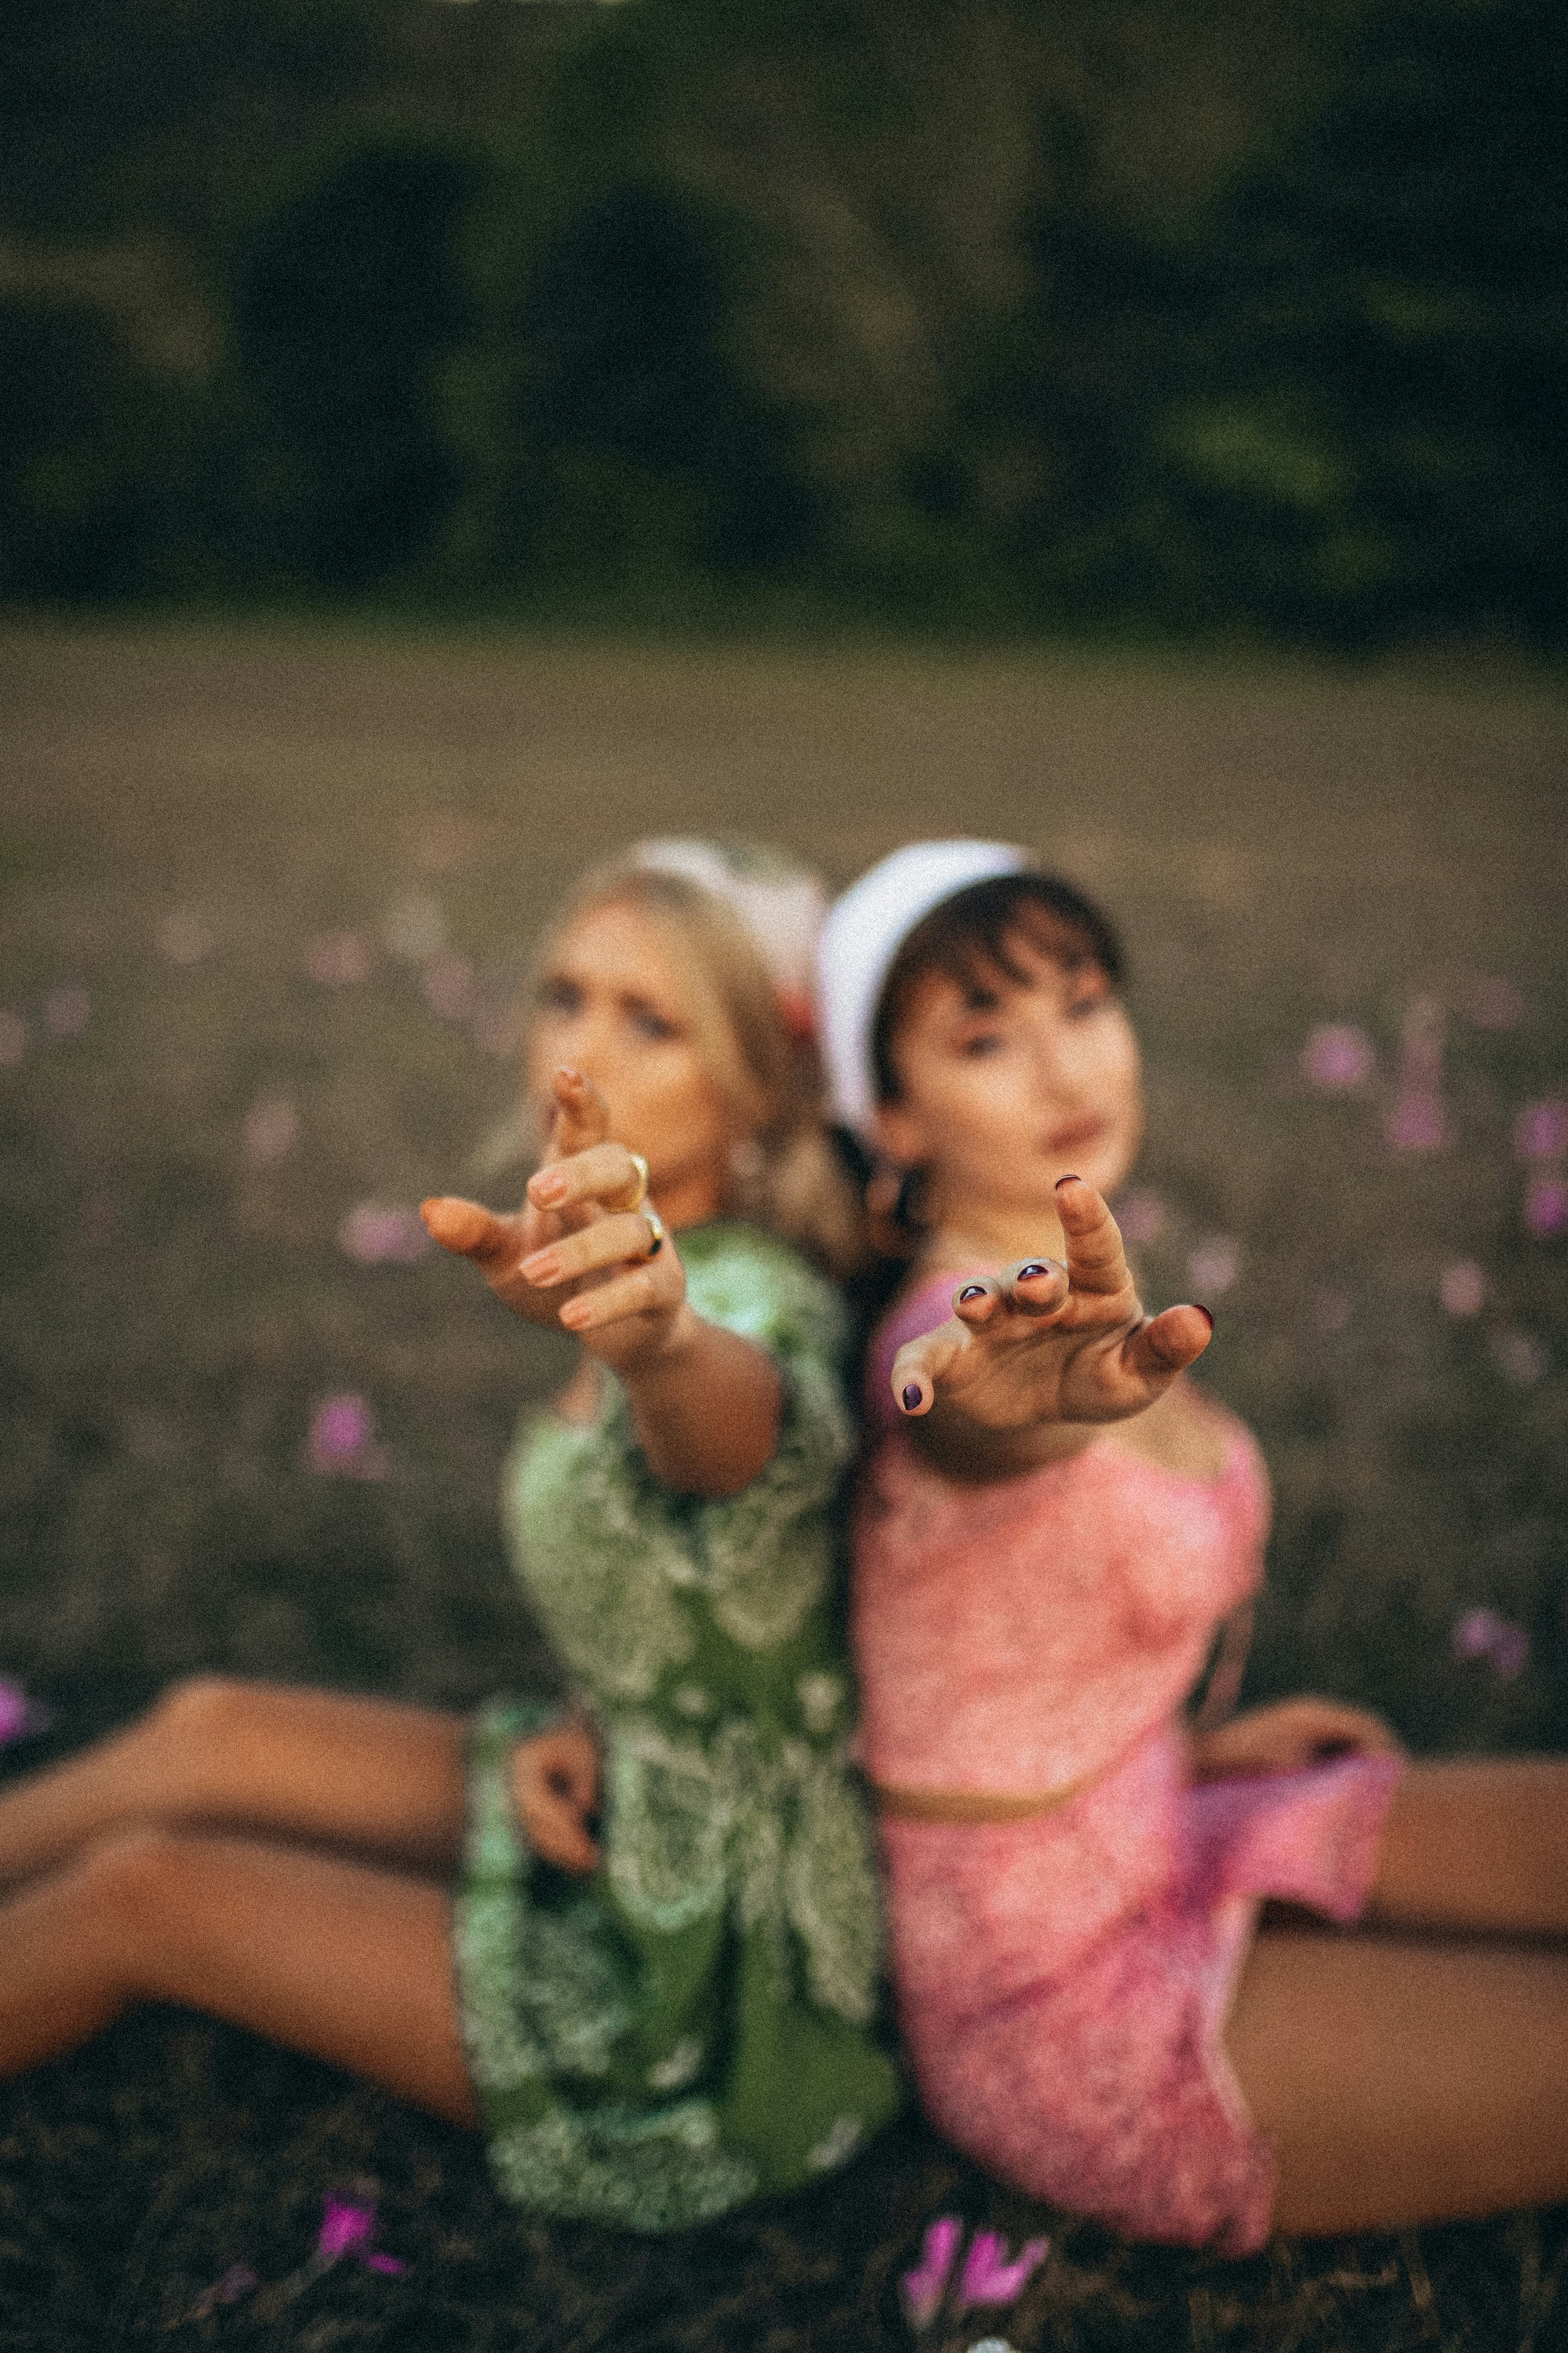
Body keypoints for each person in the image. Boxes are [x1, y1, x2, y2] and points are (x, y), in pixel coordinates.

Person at [0, 840, 901, 2231]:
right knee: (213, 1729)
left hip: (709, 1964)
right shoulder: (660, 1253)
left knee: (150, 1891)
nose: (577, 1052)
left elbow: (738, 1434)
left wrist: (658, 1344)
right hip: (617, 1782)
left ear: (761, 1089)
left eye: (648, 1019)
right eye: (565, 995)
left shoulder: (749, 1301)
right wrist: (600, 1712)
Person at [817, 838, 1568, 2252]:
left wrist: (1176, 1743)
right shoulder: (968, 1335)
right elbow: (953, 1411)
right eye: (985, 1038)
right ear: (894, 1119)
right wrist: (1002, 1404)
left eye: (1084, 1002)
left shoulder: (1094, 1287)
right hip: (1051, 1997)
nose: (1063, 1070)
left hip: (1169, 1819)